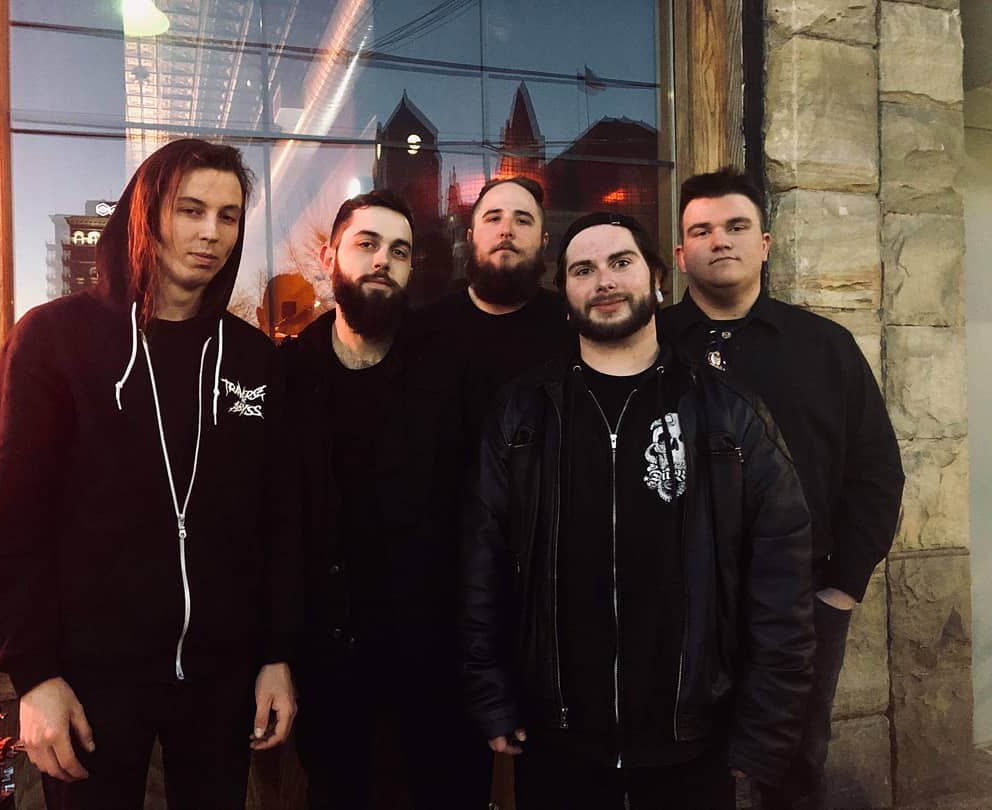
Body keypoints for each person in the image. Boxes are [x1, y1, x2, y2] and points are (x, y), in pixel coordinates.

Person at [0, 138, 300, 810]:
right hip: (88, 682)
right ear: (146, 216)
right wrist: (33, 676)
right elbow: (13, 522)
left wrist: (276, 654)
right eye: (191, 210)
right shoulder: (53, 340)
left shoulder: (252, 359)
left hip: (221, 678)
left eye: (229, 216)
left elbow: (279, 519)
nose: (211, 233)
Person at [460, 211, 816, 809]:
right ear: (564, 292)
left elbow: (781, 579)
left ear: (656, 277)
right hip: (557, 738)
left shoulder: (727, 413)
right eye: (583, 270)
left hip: (693, 741)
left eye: (620, 262)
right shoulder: (522, 413)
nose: (603, 280)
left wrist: (764, 730)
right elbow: (482, 562)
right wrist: (490, 693)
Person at [659, 168, 905, 808]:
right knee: (681, 774)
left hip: (802, 605)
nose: (720, 240)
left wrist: (841, 589)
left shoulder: (826, 348)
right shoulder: (649, 346)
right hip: (674, 605)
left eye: (736, 226)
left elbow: (876, 472)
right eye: (701, 231)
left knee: (792, 772)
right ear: (681, 253)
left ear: (765, 243)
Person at [283, 190, 492, 809]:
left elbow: (483, 514)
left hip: (435, 659)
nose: (383, 261)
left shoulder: (450, 367)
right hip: (328, 662)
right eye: (367, 244)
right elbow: (274, 524)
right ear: (329, 258)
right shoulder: (291, 374)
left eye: (399, 251)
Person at [417, 176, 571, 442]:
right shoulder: (425, 330)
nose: (506, 230)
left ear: (544, 241)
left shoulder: (571, 329)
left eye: (522, 220)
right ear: (470, 237)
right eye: (493, 218)